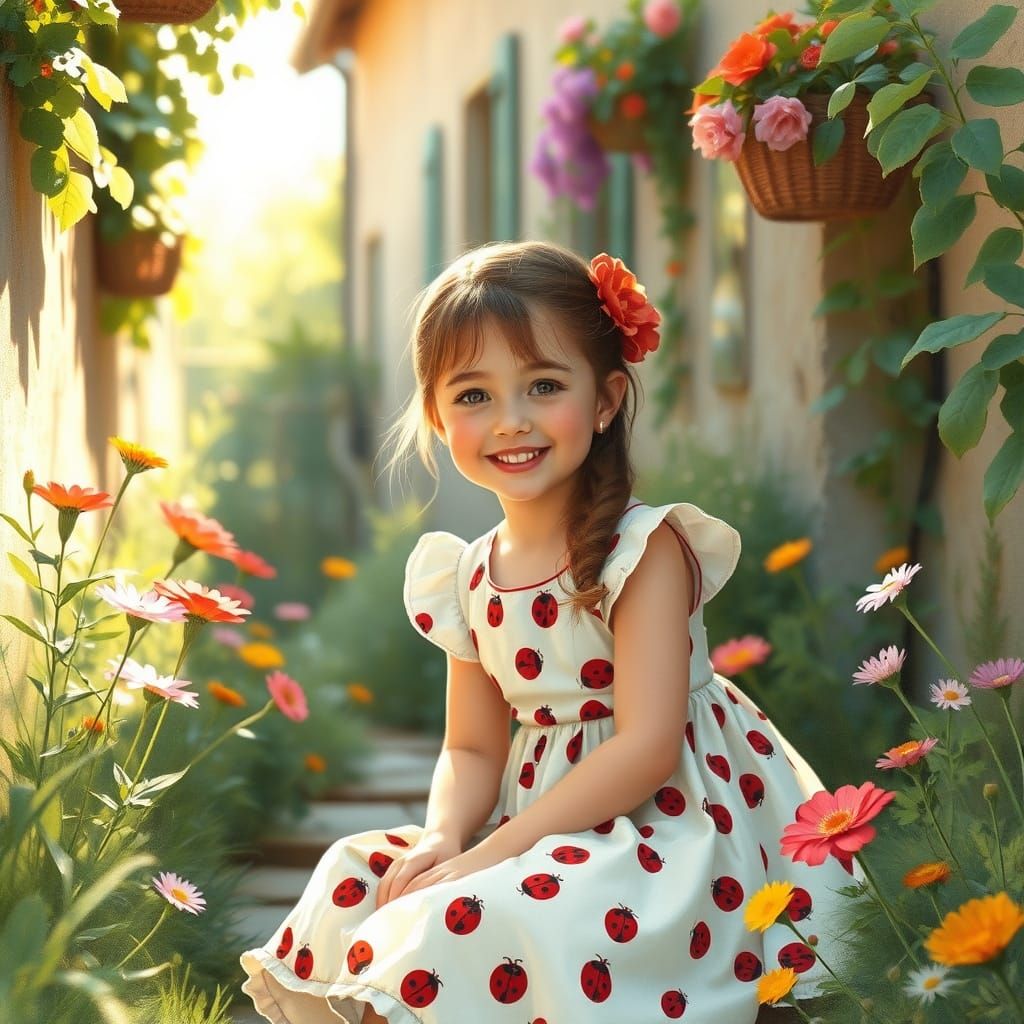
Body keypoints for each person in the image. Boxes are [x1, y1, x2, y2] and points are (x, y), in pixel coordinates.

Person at [240, 240, 847, 1024]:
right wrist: (443, 839)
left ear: (603, 399)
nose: (511, 420)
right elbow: (472, 748)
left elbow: (646, 750)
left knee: (478, 912)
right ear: (435, 413)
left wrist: (489, 856)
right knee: (356, 877)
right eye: (473, 395)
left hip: (664, 831)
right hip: (533, 826)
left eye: (544, 385)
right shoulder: (467, 575)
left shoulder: (642, 550)